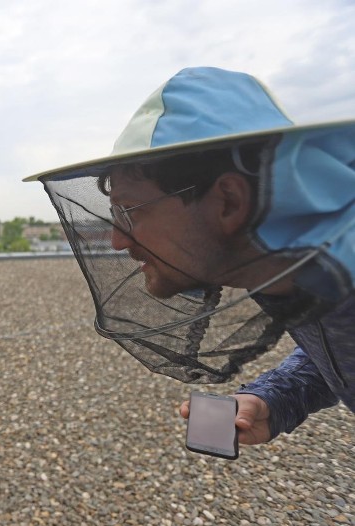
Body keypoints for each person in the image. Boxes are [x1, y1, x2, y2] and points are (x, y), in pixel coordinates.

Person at [25, 67, 354, 448]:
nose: (116, 241)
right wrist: (275, 397)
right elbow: (331, 343)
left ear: (229, 201)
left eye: (129, 210)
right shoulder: (301, 270)